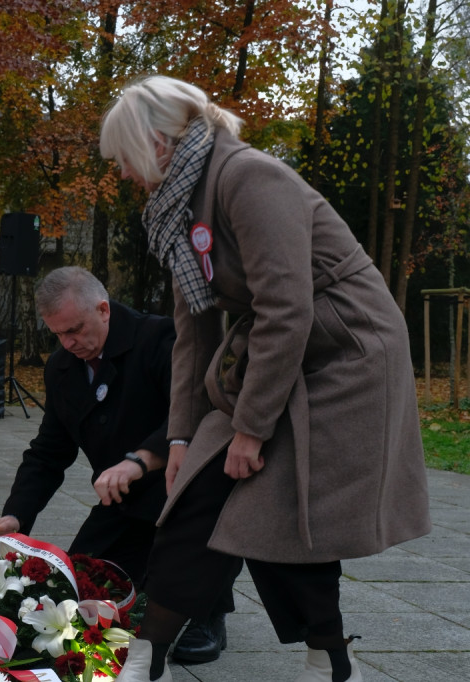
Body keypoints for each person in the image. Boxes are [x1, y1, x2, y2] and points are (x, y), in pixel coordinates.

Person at [98, 76, 432, 682]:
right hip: (281, 351)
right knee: (198, 494)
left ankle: (325, 658)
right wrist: (179, 440)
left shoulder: (248, 176)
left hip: (345, 352)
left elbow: (287, 307)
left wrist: (250, 430)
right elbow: (192, 334)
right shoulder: (181, 206)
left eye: (123, 157)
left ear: (157, 142)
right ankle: (152, 654)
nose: (122, 174)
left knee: (280, 505)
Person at [0, 266, 235, 663]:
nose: (69, 343)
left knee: (180, 570)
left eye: (75, 329)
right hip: (122, 502)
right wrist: (15, 517)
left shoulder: (160, 340)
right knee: (76, 587)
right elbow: (48, 452)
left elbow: (194, 411)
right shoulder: (61, 369)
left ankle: (209, 613)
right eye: (57, 334)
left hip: (182, 491)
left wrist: (141, 460)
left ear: (104, 310)